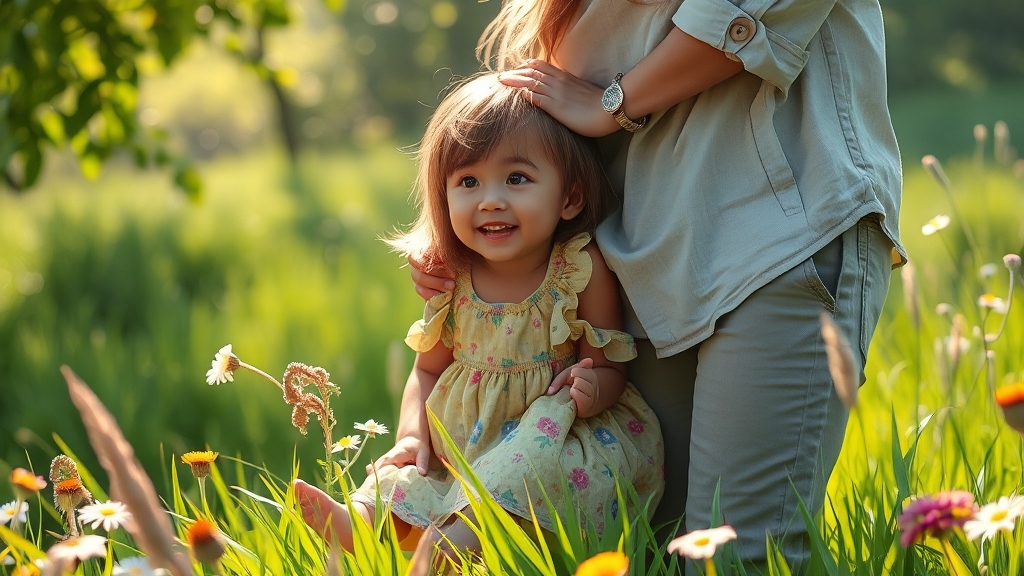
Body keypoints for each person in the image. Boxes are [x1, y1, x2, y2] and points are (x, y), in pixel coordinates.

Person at [410, 0, 906, 572]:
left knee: (733, 558)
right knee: (647, 550)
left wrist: (610, 102)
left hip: (775, 228)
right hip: (631, 265)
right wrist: (461, 241)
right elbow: (532, 108)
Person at [294, 73, 664, 561]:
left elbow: (609, 365)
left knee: (518, 469)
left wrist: (594, 392)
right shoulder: (453, 277)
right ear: (444, 198)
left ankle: (448, 549)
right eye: (468, 181)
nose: (491, 199)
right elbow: (427, 369)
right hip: (463, 443)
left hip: (547, 436)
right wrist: (410, 435)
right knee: (410, 472)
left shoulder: (577, 268)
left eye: (517, 178)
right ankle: (363, 522)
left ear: (569, 197)